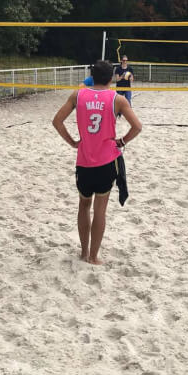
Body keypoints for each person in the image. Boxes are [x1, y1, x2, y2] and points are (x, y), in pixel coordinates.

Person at [52, 61, 142, 265]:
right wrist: (121, 141)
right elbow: (137, 126)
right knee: (100, 210)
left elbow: (56, 121)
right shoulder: (117, 99)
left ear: (92, 76)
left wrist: (73, 142)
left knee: (84, 206)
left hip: (84, 161)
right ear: (112, 78)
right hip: (106, 161)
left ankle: (83, 253)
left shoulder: (78, 95)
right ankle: (93, 257)